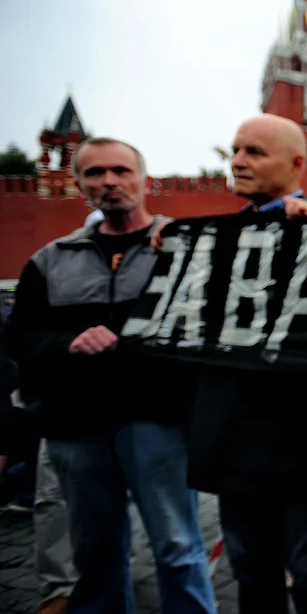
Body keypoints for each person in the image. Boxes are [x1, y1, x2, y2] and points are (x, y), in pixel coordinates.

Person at [8, 137, 217, 613]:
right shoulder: (51, 259)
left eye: (121, 171)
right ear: (80, 184)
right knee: (95, 553)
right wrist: (67, 343)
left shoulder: (181, 250)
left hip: (158, 421)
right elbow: (19, 337)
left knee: (178, 547)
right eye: (95, 173)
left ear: (144, 179)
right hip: (76, 425)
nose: (109, 181)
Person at [186, 114, 307, 614]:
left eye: (254, 152)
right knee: (251, 573)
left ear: (296, 164)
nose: (237, 161)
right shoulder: (209, 242)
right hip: (230, 437)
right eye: (235, 150)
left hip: (300, 444)